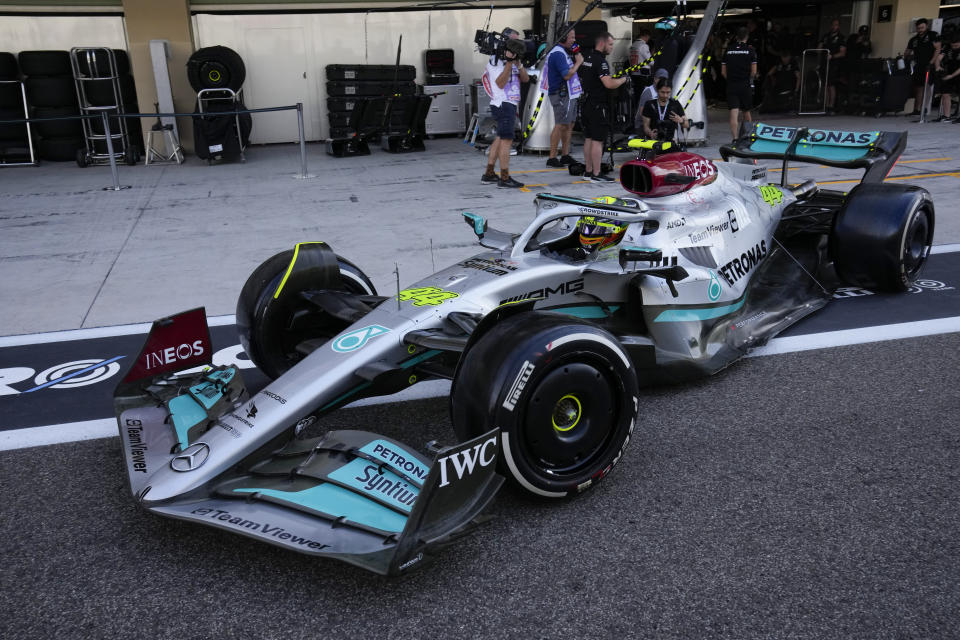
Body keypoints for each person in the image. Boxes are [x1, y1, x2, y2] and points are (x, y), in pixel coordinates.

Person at [480, 30, 529, 188]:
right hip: (503, 104)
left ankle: (489, 173)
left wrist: (518, 64)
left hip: (510, 103)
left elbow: (526, 79)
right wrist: (509, 62)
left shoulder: (515, 61)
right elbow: (500, 83)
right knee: (507, 140)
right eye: (513, 42)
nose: (517, 46)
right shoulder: (495, 62)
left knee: (501, 138)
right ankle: (505, 178)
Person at [579, 32, 628, 183]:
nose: (612, 47)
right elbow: (609, 84)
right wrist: (623, 79)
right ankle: (597, 173)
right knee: (597, 140)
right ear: (602, 44)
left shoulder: (587, 58)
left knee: (588, 138)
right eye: (611, 44)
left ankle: (588, 172)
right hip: (597, 106)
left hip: (586, 103)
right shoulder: (601, 61)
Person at [543, 27, 583, 167]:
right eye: (571, 37)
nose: (574, 40)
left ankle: (565, 154)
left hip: (569, 93)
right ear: (563, 38)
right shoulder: (558, 54)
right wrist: (578, 62)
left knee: (569, 124)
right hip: (561, 94)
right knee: (560, 124)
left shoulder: (563, 52)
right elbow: (566, 75)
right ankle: (552, 157)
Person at [722, 27, 757, 140]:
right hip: (744, 84)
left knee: (734, 111)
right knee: (746, 111)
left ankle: (735, 138)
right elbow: (754, 72)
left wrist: (732, 79)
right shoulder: (750, 50)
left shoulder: (728, 50)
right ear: (747, 37)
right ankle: (748, 136)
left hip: (731, 85)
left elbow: (723, 72)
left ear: (736, 37)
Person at [906, 18, 942, 115]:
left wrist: (931, 62)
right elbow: (907, 52)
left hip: (929, 64)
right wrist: (907, 56)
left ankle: (924, 108)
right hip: (918, 66)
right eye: (918, 28)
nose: (920, 29)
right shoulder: (914, 39)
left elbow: (938, 49)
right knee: (918, 87)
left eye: (922, 27)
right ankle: (916, 109)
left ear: (927, 26)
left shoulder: (933, 35)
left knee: (927, 86)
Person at [819, 19, 846, 112]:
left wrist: (832, 56)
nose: (835, 26)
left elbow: (843, 53)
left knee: (831, 85)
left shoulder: (841, 37)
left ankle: (831, 105)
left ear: (838, 26)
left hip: (834, 64)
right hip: (824, 63)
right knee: (825, 85)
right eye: (833, 24)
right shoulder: (825, 36)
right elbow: (819, 47)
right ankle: (825, 105)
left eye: (836, 25)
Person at [934, 34, 960, 121]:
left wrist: (952, 76)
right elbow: (938, 58)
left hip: (957, 72)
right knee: (945, 93)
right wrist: (938, 67)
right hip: (949, 71)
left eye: (956, 45)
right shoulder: (947, 47)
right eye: (952, 45)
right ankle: (946, 116)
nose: (954, 47)